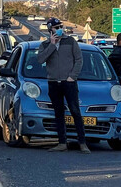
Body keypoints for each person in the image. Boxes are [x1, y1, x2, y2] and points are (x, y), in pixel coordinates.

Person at [37, 17, 90, 154]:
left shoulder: (70, 41)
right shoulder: (45, 44)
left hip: (69, 82)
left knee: (75, 111)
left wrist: (72, 76)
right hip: (54, 82)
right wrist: (52, 45)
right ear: (50, 30)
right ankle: (62, 142)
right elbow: (40, 59)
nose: (60, 29)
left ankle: (82, 143)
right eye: (56, 27)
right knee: (58, 112)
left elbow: (79, 60)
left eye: (61, 26)